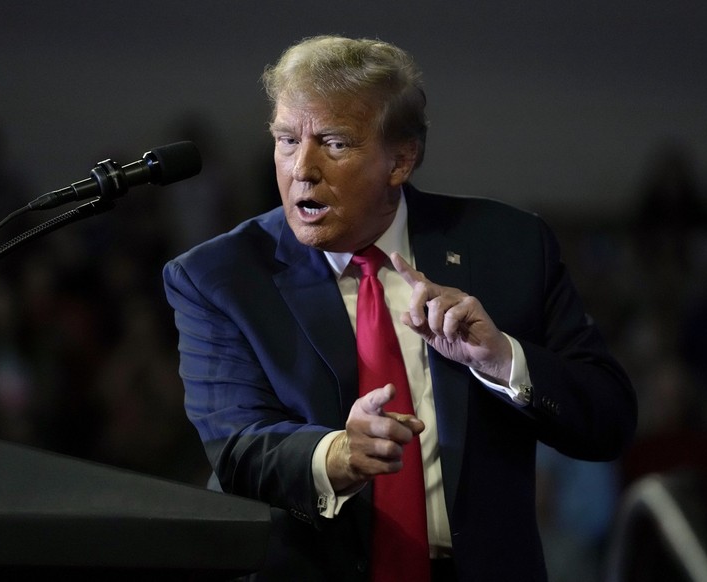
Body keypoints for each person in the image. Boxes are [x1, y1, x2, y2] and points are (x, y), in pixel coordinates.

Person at [163, 35, 637, 582]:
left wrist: (503, 359)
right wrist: (337, 454)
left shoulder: (509, 248)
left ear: (401, 160)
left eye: (335, 144)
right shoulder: (220, 277)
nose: (302, 169)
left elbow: (609, 420)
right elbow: (238, 448)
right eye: (288, 140)